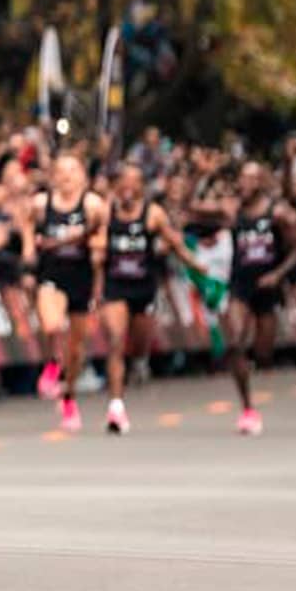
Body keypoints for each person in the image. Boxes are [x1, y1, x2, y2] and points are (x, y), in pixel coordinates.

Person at [97, 163, 199, 434]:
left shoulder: (152, 214)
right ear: (116, 186)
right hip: (114, 286)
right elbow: (92, 244)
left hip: (143, 287)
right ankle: (116, 406)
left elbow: (175, 243)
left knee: (139, 345)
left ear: (142, 186)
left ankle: (140, 362)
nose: (128, 188)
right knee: (116, 341)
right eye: (123, 182)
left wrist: (196, 266)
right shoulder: (106, 213)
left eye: (135, 182)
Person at [23, 155, 106, 431]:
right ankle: (51, 362)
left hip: (81, 276)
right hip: (51, 274)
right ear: (54, 176)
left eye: (73, 170)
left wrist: (94, 249)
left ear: (82, 175)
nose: (67, 176)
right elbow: (26, 222)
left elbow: (104, 236)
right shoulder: (42, 203)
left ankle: (69, 397)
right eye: (62, 170)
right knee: (52, 324)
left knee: (76, 348)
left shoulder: (92, 204)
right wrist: (28, 248)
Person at [221, 161, 296, 436]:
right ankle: (247, 408)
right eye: (240, 178)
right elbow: (196, 208)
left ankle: (255, 363)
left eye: (249, 179)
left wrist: (278, 275)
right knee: (234, 340)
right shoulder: (233, 211)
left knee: (263, 352)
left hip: (267, 286)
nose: (242, 184)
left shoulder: (276, 213)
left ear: (260, 183)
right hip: (240, 284)